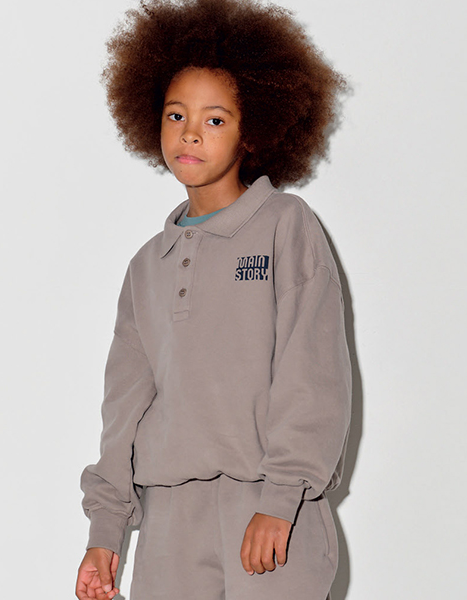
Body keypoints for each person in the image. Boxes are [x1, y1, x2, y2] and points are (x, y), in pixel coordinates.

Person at [75, 0, 352, 598]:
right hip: (169, 523)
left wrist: (281, 498)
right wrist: (106, 532)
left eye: (216, 119)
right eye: (176, 114)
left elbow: (312, 370)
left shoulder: (285, 225)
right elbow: (124, 408)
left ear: (252, 131)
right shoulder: (146, 267)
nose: (191, 132)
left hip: (269, 511)